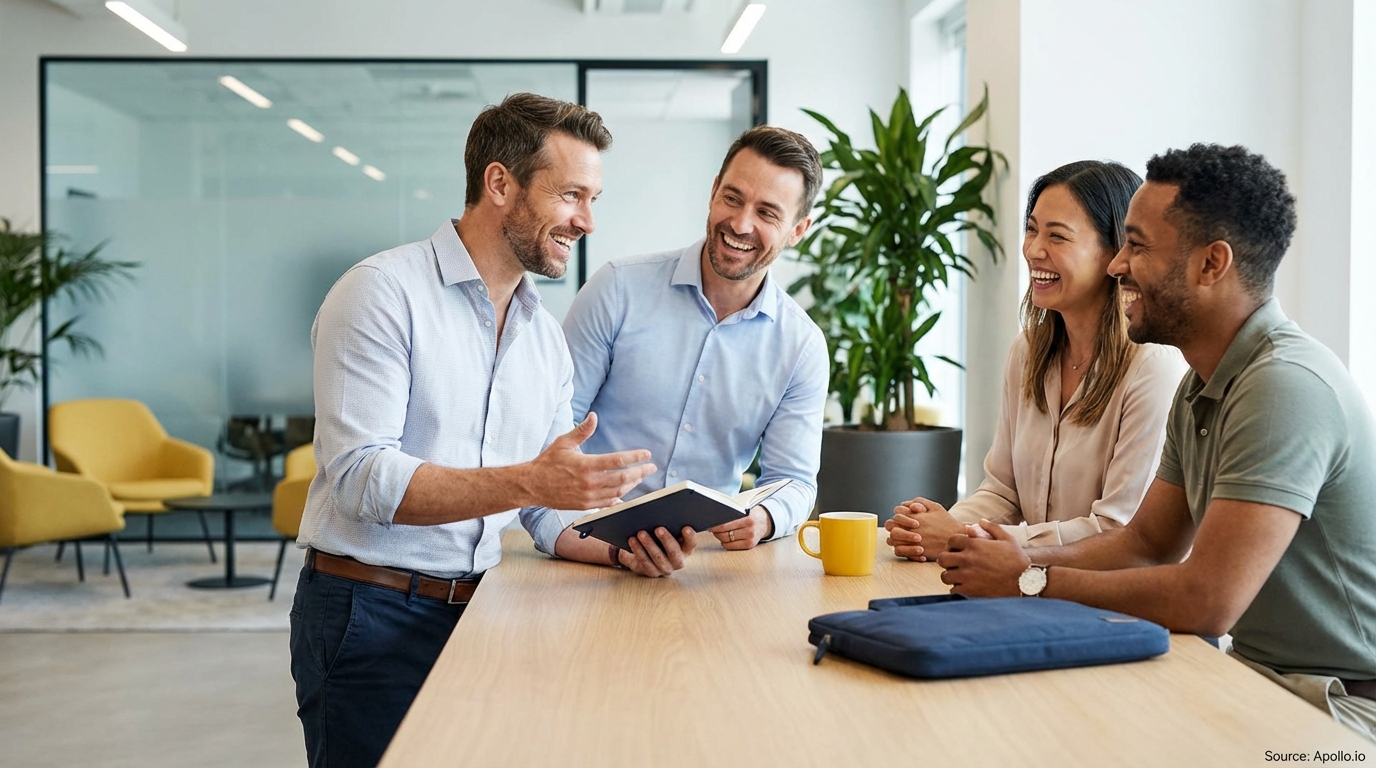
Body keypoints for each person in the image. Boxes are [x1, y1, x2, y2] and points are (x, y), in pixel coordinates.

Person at [289, 93, 695, 768]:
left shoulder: (542, 337)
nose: (587, 221)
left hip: (485, 614)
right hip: (370, 613)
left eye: (593, 199)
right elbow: (361, 478)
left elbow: (535, 508)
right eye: (570, 195)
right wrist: (534, 478)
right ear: (500, 183)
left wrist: (616, 546)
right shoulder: (381, 293)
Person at [938, 144, 1376, 740]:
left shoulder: (1283, 387)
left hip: (1339, 707)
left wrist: (1027, 578)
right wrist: (1018, 560)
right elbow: (1144, 543)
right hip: (1253, 675)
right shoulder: (1204, 380)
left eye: (1137, 246)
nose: (1118, 265)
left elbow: (1206, 600)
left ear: (1211, 264)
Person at [885, 161, 1185, 561]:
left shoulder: (1153, 367)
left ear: (1115, 253)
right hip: (1027, 586)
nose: (1033, 250)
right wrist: (937, 529)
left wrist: (968, 538)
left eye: (1057, 237)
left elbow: (1118, 528)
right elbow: (1002, 491)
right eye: (1031, 229)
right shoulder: (1028, 351)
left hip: (1108, 599)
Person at [560, 126, 829, 550]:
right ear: (713, 192)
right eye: (733, 198)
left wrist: (762, 517)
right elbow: (555, 430)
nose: (741, 224)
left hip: (703, 560)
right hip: (591, 542)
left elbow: (792, 481)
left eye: (767, 213)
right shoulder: (618, 288)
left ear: (798, 230)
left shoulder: (801, 347)